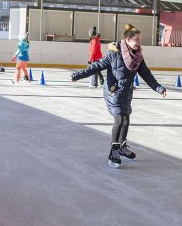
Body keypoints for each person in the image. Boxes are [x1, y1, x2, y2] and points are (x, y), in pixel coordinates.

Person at [70, 23, 167, 168]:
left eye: (140, 39)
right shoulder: (114, 54)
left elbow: (147, 75)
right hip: (113, 91)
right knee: (120, 119)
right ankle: (113, 151)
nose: (139, 43)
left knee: (126, 119)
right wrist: (77, 75)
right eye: (136, 40)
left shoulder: (138, 57)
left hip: (126, 93)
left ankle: (122, 147)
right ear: (127, 40)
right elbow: (96, 66)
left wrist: (158, 88)